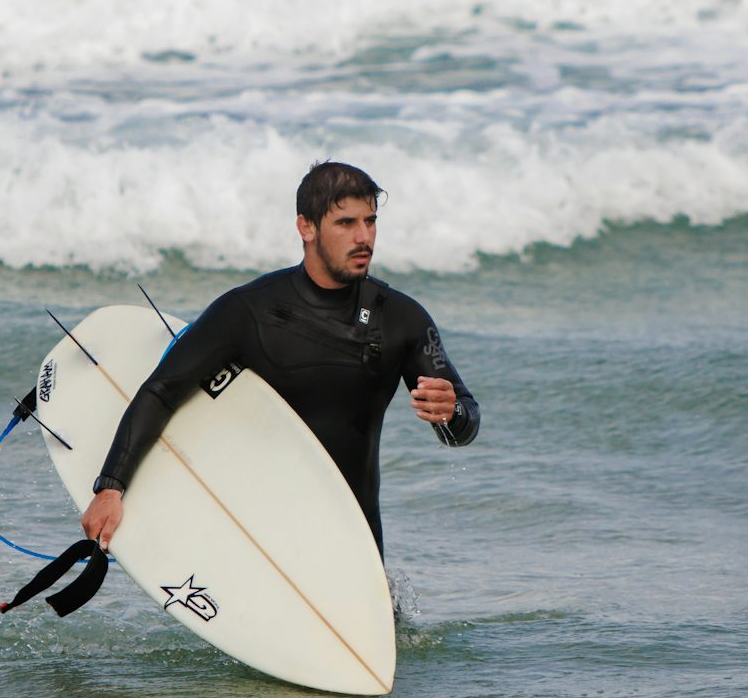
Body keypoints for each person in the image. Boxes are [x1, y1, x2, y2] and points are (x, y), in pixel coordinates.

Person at [81, 161, 479, 555]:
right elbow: (163, 392)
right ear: (306, 227)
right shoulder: (249, 311)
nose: (364, 237)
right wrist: (111, 488)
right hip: (256, 543)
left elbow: (462, 425)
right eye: (346, 223)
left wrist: (450, 413)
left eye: (370, 221)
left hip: (354, 553)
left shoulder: (401, 319)